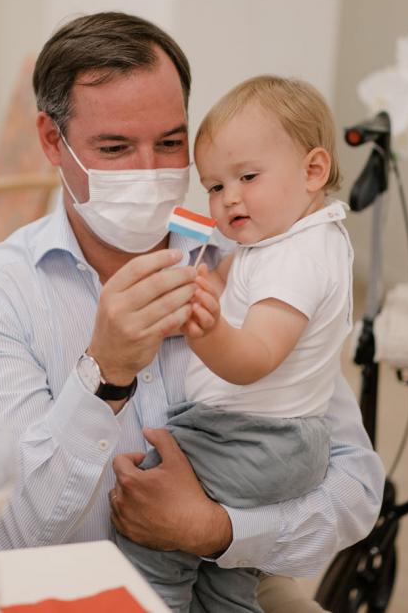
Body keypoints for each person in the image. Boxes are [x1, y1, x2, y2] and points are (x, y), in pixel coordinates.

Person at [0, 12, 384, 610]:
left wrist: (214, 529)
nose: (149, 171)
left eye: (171, 143)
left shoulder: (251, 256)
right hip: (69, 590)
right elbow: (19, 536)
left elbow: (355, 488)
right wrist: (105, 374)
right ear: (52, 140)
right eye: (116, 148)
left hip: (238, 568)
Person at [117, 75, 353, 612]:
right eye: (216, 186)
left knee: (152, 536)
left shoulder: (299, 258)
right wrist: (202, 295)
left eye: (247, 176)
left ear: (313, 170)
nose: (230, 200)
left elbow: (254, 359)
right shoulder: (281, 240)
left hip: (251, 439)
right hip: (277, 444)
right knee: (228, 579)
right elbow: (234, 289)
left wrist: (209, 331)